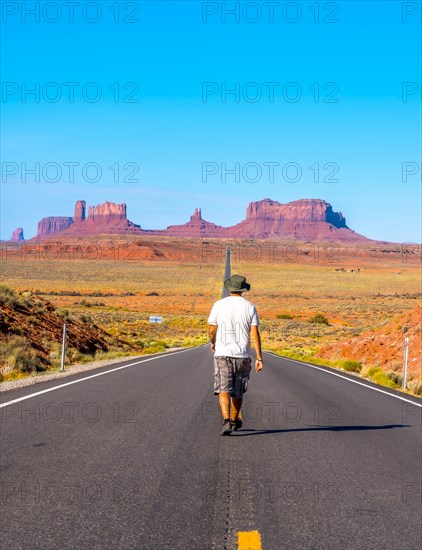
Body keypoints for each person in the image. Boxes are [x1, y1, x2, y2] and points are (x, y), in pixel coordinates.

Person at [208, 274, 263, 436]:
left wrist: (213, 342)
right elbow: (255, 334)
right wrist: (259, 357)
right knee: (238, 391)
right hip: (242, 355)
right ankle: (234, 419)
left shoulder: (218, 305)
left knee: (223, 389)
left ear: (229, 288)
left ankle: (227, 421)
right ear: (243, 289)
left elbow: (212, 329)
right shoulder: (250, 307)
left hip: (223, 353)